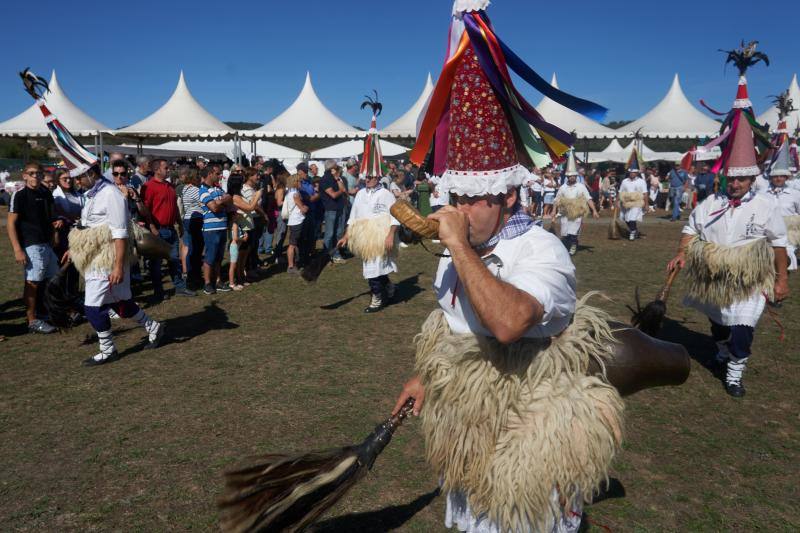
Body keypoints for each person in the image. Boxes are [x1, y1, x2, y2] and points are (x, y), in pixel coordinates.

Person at [392, 20, 623, 531]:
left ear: (510, 195)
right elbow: (457, 328)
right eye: (455, 196)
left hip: (528, 431)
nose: (461, 209)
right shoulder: (460, 252)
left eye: (475, 197)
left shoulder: (541, 249)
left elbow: (509, 322)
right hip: (471, 428)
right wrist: (427, 377)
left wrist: (456, 245)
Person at [667, 113, 790, 397]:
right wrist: (682, 253)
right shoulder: (711, 204)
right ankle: (721, 351)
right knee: (719, 323)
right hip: (713, 277)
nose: (735, 184)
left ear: (751, 179)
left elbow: (779, 243)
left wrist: (782, 279)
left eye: (742, 179)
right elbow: (690, 227)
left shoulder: (765, 205)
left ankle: (734, 373)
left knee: (743, 329)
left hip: (749, 280)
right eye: (731, 179)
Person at [67, 165, 165, 365]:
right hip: (96, 258)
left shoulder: (111, 194)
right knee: (121, 304)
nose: (76, 182)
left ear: (91, 174)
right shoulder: (93, 194)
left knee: (93, 307)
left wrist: (118, 266)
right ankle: (153, 327)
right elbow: (89, 227)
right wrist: (75, 248)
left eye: (79, 178)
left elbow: (120, 233)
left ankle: (108, 350)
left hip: (107, 261)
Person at [7, 162, 59, 334]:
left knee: (50, 279)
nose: (35, 176)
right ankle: (32, 320)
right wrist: (17, 249)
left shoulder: (46, 193)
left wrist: (54, 236)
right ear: (24, 175)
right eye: (31, 173)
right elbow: (10, 224)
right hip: (31, 244)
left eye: (38, 173)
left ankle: (43, 313)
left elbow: (51, 219)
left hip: (46, 244)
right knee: (33, 282)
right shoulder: (19, 195)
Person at [337, 171, 399, 313]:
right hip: (365, 238)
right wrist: (346, 236)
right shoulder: (360, 194)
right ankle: (390, 288)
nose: (367, 180)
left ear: (377, 177)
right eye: (366, 177)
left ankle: (377, 299)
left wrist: (390, 235)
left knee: (374, 268)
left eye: (370, 177)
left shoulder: (386, 194)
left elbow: (395, 216)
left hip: (380, 237)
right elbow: (353, 217)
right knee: (375, 267)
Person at [142, 159, 195, 299]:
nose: (169, 169)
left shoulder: (170, 186)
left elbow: (175, 209)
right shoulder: (148, 187)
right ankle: (158, 292)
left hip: (171, 229)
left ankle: (180, 287)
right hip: (158, 230)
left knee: (174, 260)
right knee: (156, 263)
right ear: (157, 170)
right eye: (166, 167)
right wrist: (152, 227)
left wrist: (180, 225)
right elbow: (145, 210)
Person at [554, 152, 599, 255]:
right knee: (565, 233)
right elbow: (557, 199)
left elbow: (588, 199)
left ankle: (573, 245)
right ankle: (571, 243)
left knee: (573, 232)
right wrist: (553, 211)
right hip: (565, 213)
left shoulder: (581, 186)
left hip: (577, 213)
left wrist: (594, 210)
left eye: (574, 176)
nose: (572, 178)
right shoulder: (563, 187)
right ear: (567, 177)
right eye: (570, 176)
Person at [199, 165, 233, 294]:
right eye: (217, 174)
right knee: (210, 257)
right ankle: (207, 283)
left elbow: (229, 200)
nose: (220, 176)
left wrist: (220, 202)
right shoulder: (202, 190)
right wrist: (222, 202)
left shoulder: (217, 188)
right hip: (211, 229)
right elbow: (214, 208)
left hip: (222, 226)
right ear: (210, 174)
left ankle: (218, 281)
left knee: (219, 257)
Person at [228, 170, 263, 285]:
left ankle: (242, 277)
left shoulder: (239, 195)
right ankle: (239, 278)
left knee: (245, 255)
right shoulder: (235, 197)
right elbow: (250, 208)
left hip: (248, 225)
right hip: (243, 228)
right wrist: (257, 196)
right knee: (240, 256)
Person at [178, 167, 204, 287]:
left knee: (191, 248)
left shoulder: (186, 189)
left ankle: (191, 274)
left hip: (189, 218)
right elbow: (204, 202)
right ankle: (193, 275)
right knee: (195, 249)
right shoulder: (194, 189)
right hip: (195, 219)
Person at [319, 160, 348, 264]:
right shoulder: (325, 179)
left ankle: (336, 254)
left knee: (339, 233)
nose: (338, 169)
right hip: (331, 210)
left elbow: (343, 189)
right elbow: (333, 195)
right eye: (336, 167)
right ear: (332, 168)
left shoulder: (335, 178)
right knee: (330, 234)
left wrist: (338, 178)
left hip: (339, 208)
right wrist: (341, 190)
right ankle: (326, 255)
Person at [52, 169, 83, 258]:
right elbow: (61, 211)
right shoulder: (56, 195)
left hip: (78, 230)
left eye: (70, 178)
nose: (68, 180)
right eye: (64, 178)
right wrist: (78, 218)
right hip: (65, 232)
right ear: (58, 180)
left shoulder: (77, 194)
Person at [618, 157, 648, 240]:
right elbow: (620, 192)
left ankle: (632, 233)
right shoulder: (624, 181)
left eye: (634, 172)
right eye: (631, 172)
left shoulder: (641, 181)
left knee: (632, 218)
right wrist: (617, 202)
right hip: (627, 203)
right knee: (626, 219)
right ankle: (634, 230)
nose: (632, 174)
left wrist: (646, 204)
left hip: (637, 202)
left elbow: (645, 193)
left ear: (637, 173)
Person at [284, 173, 308, 275]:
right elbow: (302, 208)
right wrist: (306, 208)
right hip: (296, 220)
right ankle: (291, 266)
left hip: (294, 221)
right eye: (299, 181)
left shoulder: (290, 192)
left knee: (295, 243)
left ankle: (295, 263)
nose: (301, 183)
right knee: (293, 244)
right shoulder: (295, 194)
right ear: (295, 182)